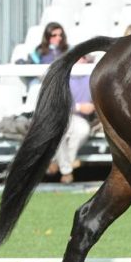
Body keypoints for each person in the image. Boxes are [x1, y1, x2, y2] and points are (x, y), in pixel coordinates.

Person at [48, 56, 94, 184]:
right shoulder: (63, 78)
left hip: (81, 119)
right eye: (78, 57)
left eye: (84, 58)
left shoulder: (92, 77)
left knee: (82, 130)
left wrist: (93, 106)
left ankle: (59, 163)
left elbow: (96, 102)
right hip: (62, 116)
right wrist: (79, 107)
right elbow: (57, 105)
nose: (80, 60)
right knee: (58, 133)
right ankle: (67, 171)